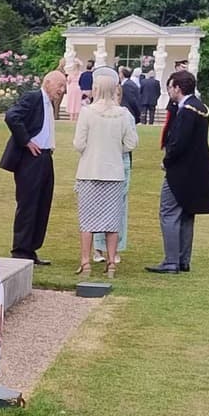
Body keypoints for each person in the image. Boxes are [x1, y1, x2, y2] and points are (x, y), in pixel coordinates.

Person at [147, 69, 209, 274]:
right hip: (197, 169)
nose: (169, 91)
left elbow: (178, 142)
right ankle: (183, 259)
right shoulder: (199, 107)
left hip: (181, 170)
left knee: (168, 212)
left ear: (177, 87)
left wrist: (167, 161)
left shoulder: (187, 111)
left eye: (170, 87)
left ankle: (171, 261)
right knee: (186, 214)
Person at [74, 67, 139, 277]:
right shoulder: (123, 114)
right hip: (114, 172)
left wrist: (95, 149)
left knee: (87, 221)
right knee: (112, 220)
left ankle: (86, 262)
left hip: (89, 171)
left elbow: (79, 143)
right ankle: (111, 262)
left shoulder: (87, 113)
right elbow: (131, 143)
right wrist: (113, 149)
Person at [1, 69, 68, 264]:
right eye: (60, 85)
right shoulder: (33, 97)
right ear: (47, 83)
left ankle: (31, 249)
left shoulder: (49, 104)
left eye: (64, 86)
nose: (62, 90)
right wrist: (26, 141)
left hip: (45, 157)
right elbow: (12, 116)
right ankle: (20, 249)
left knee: (42, 203)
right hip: (31, 158)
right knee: (28, 204)